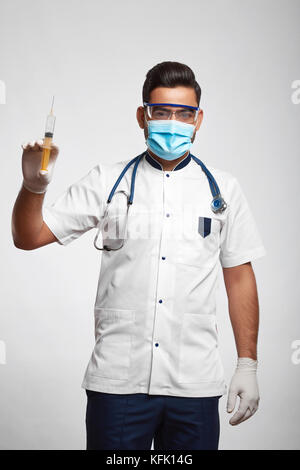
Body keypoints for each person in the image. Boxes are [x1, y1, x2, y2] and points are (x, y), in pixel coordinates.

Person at [12, 61, 266, 450]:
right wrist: (33, 187)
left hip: (194, 383)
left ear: (198, 121)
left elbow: (239, 278)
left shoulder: (223, 191)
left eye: (184, 114)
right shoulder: (105, 181)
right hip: (118, 383)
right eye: (161, 111)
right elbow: (28, 237)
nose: (172, 122)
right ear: (142, 116)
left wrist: (247, 363)